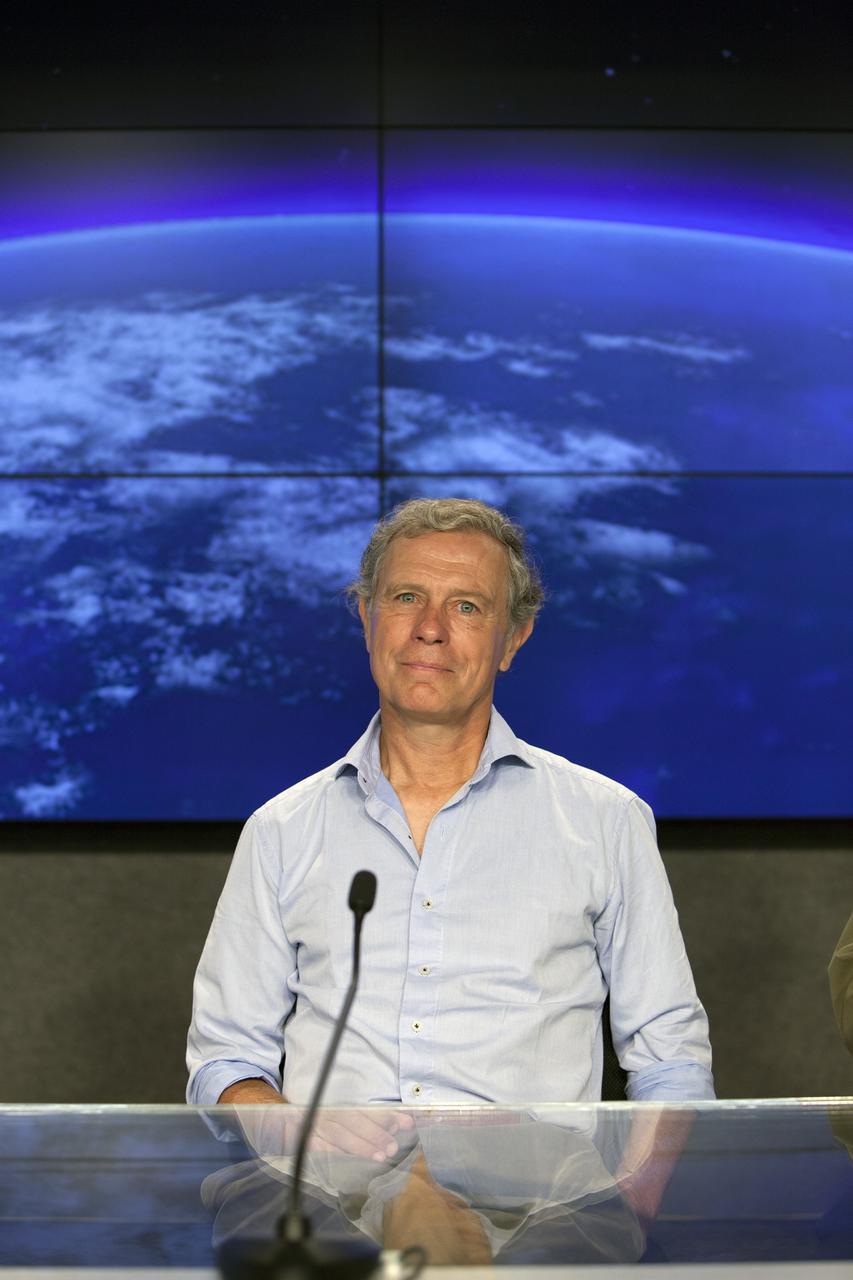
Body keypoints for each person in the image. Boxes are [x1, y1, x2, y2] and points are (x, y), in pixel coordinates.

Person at [187, 497, 714, 1144]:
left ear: (511, 640)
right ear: (367, 618)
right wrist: (298, 1132)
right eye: (406, 597)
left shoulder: (605, 821)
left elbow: (670, 1059)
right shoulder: (280, 830)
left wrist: (630, 1207)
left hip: (535, 1213)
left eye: (466, 606)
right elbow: (224, 1061)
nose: (429, 628)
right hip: (328, 1212)